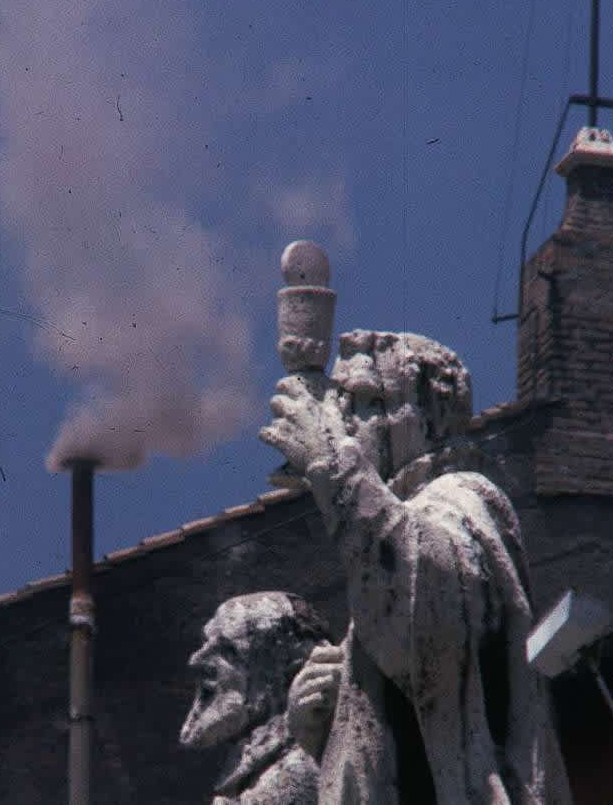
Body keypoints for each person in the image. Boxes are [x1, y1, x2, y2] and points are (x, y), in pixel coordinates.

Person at [261, 330, 572, 805]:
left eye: (365, 402)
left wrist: (331, 465)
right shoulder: (388, 524)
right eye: (341, 406)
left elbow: (430, 612)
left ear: (433, 417)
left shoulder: (464, 497)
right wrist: (324, 725)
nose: (346, 423)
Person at [180, 591, 332, 804]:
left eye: (228, 650)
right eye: (205, 643)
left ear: (287, 669)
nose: (195, 660)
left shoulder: (302, 769)